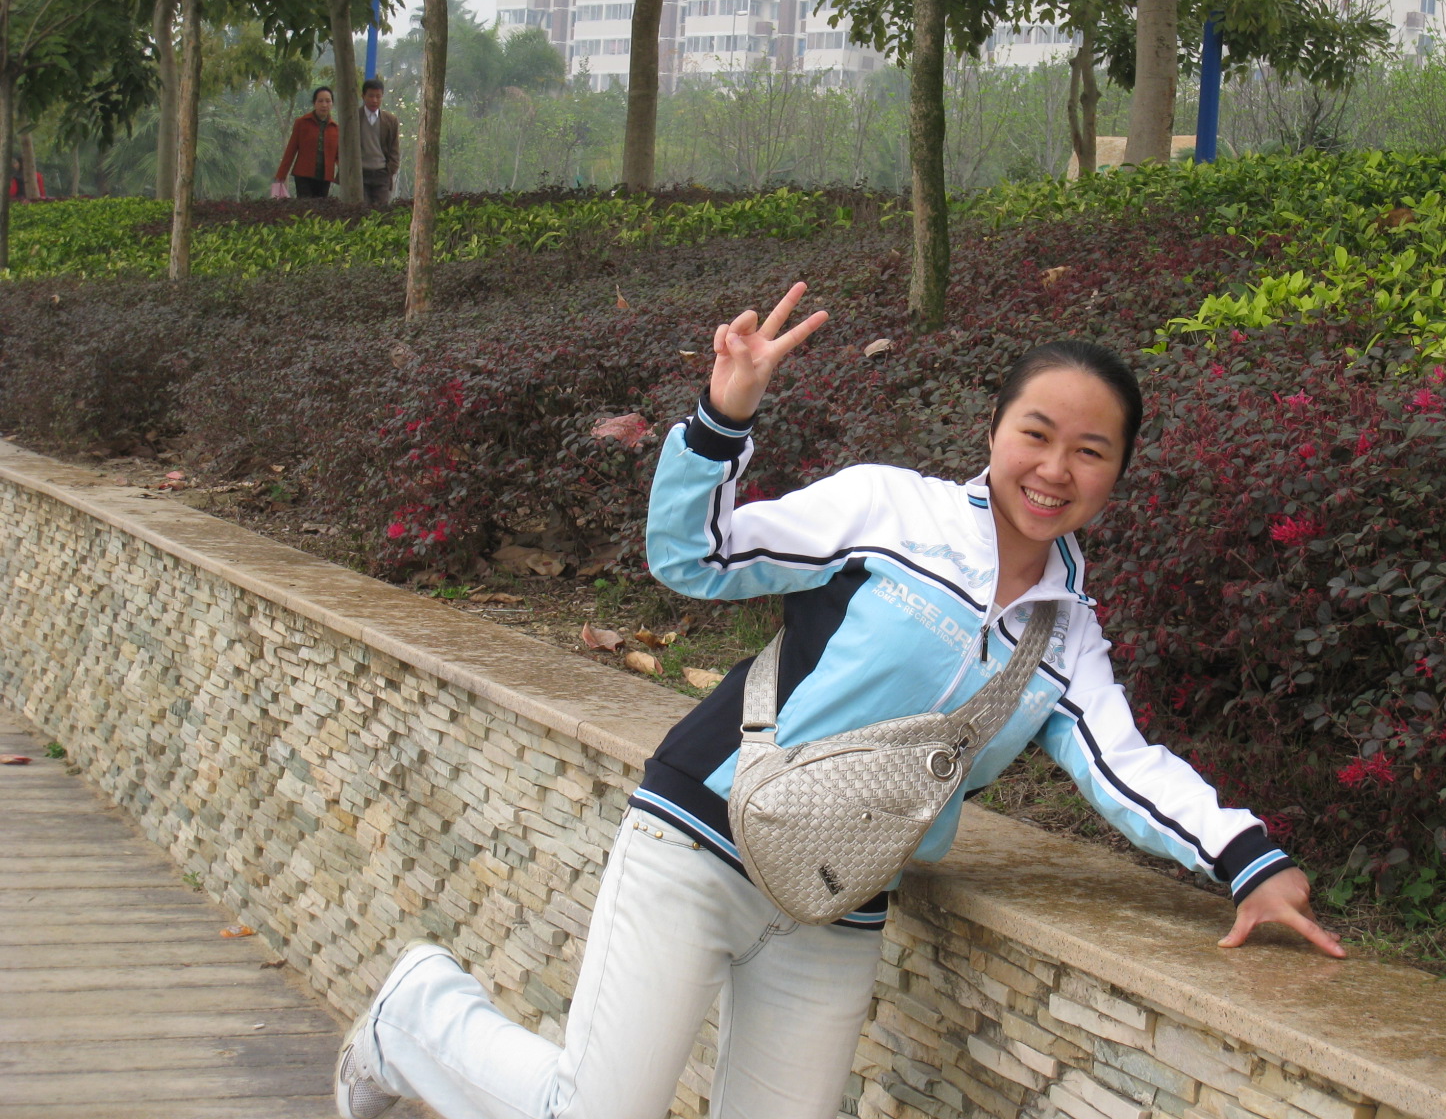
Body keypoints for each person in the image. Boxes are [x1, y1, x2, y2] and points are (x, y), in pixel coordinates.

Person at [334, 284, 1344, 1119]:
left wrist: (1248, 863)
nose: (1055, 469)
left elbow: (1127, 769)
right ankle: (414, 1015)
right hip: (701, 836)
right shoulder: (887, 510)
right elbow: (696, 557)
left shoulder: (1064, 636)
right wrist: (722, 419)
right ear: (994, 431)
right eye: (1036, 433)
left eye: (1090, 450)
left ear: (1116, 473)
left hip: (836, 897)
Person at [273, 87, 339, 199]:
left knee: (321, 207)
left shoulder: (335, 128)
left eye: (328, 101)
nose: (324, 105)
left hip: (325, 177)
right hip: (303, 176)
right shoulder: (302, 123)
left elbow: (339, 156)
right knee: (305, 206)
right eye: (320, 101)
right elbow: (291, 150)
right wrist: (281, 174)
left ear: (332, 104)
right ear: (314, 103)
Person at [358, 77, 400, 205]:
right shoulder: (354, 118)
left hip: (382, 173)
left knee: (381, 212)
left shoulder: (390, 120)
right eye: (371, 96)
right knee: (361, 209)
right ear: (363, 96)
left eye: (378, 96)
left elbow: (394, 149)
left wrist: (390, 170)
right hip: (360, 173)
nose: (374, 100)